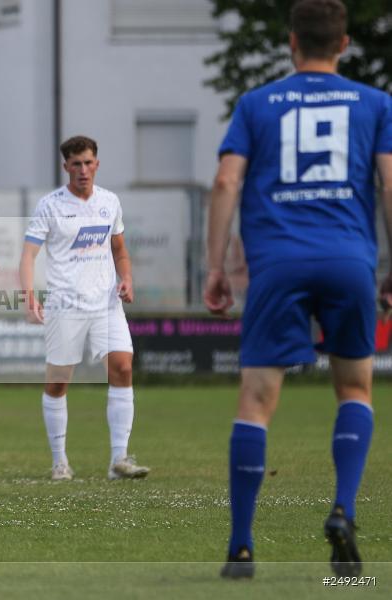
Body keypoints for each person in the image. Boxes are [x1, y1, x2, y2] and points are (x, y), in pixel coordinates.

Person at [205, 0, 392, 579]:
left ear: (291, 43)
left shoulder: (256, 104)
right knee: (354, 388)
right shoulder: (376, 103)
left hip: (277, 265)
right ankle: (342, 510)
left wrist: (215, 266)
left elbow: (226, 181)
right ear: (344, 44)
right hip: (348, 260)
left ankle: (241, 548)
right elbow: (389, 183)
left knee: (256, 402)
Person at [19, 135, 150, 482]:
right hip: (65, 305)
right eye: (76, 164)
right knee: (58, 382)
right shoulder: (50, 205)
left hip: (106, 304)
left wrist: (127, 278)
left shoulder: (109, 202)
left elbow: (120, 250)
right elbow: (29, 255)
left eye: (88, 163)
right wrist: (29, 296)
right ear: (66, 167)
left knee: (122, 367)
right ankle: (60, 461)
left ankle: (119, 460)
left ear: (97, 164)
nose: (83, 170)